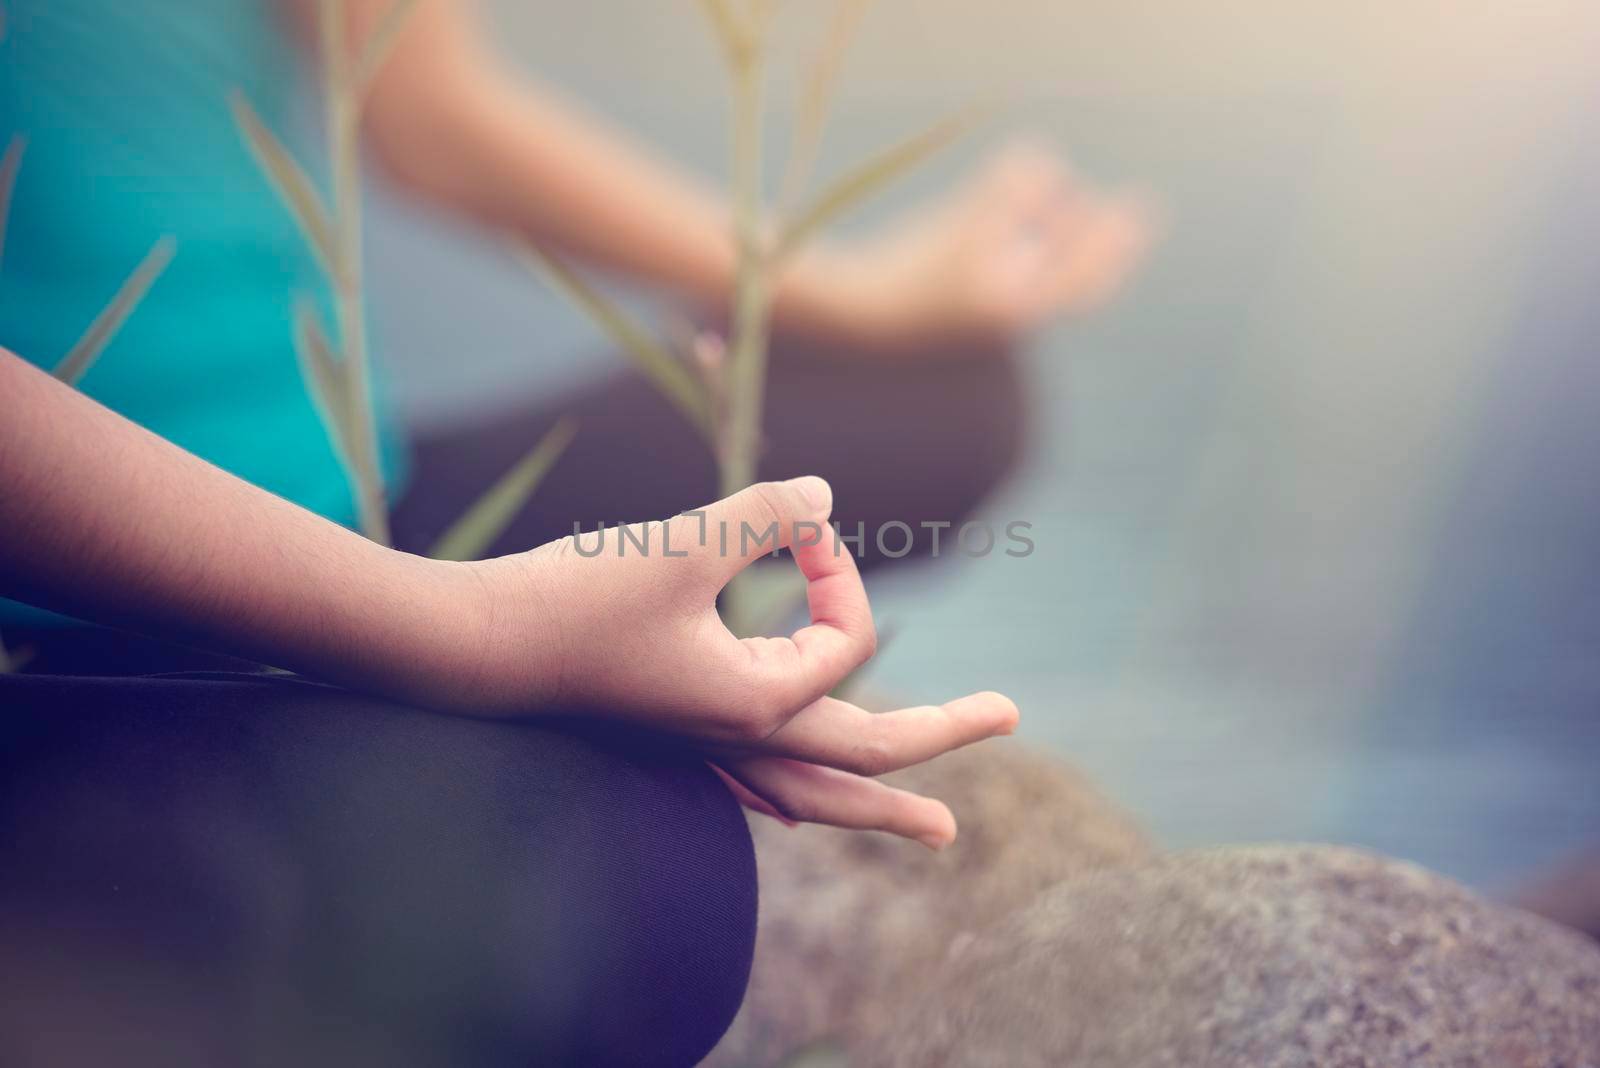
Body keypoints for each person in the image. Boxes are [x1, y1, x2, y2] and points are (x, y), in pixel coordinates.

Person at [0, 2, 1150, 1064]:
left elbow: (428, 115)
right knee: (658, 892)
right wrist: (472, 634)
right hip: (57, 599)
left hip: (346, 487)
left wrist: (865, 291)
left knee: (933, 398)